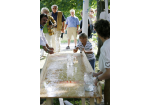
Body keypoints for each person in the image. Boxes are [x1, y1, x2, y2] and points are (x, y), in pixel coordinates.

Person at [93, 19, 110, 105]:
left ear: (98, 34)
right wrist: (98, 73)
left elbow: (109, 72)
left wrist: (97, 79)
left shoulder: (105, 47)